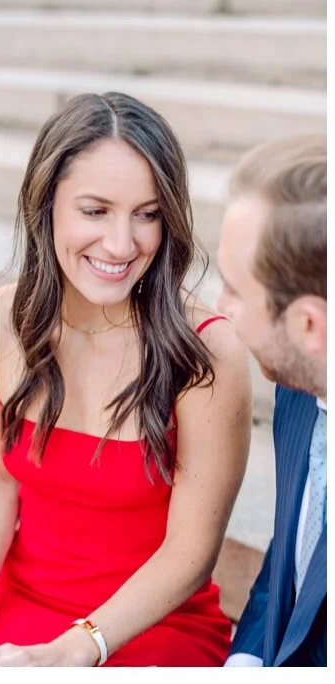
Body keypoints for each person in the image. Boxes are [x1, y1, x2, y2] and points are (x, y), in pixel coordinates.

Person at [0, 92, 253, 667]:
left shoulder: (209, 350)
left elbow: (191, 553)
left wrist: (74, 648)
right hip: (21, 601)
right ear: (44, 206)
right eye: (95, 211)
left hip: (152, 622)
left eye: (147, 214)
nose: (122, 245)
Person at [215, 136, 326, 666]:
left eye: (234, 290)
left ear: (308, 323)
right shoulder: (301, 387)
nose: (219, 308)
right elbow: (291, 553)